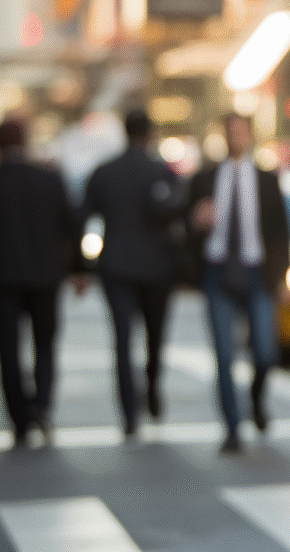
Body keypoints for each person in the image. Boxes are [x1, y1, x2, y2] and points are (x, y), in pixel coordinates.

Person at [0, 118, 80, 448]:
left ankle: (19, 418)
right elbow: (70, 225)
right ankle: (41, 404)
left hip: (4, 281)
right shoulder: (50, 179)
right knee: (45, 345)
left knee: (8, 350)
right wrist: (77, 269)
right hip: (45, 278)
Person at [184, 113, 290, 453]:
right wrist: (195, 221)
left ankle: (256, 399)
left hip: (258, 273)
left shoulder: (267, 180)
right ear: (224, 136)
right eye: (231, 132)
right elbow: (184, 225)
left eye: (242, 132)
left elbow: (281, 231)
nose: (236, 137)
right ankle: (231, 427)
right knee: (224, 355)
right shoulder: (204, 179)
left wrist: (282, 277)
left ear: (250, 135)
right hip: (217, 274)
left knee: (265, 352)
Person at [77, 110, 181, 437]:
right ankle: (151, 385)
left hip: (116, 267)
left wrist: (80, 266)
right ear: (149, 133)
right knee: (155, 335)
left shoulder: (104, 172)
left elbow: (83, 217)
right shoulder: (159, 171)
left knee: (122, 340)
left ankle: (128, 411)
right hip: (156, 268)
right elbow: (173, 213)